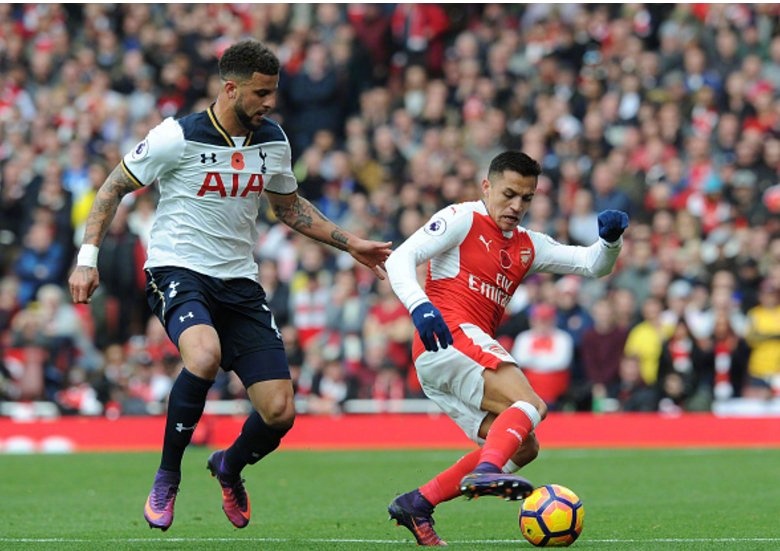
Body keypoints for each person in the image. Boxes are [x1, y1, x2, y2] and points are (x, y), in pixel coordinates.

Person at [68, 39, 392, 532]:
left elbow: (289, 208)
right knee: (203, 356)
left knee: (280, 411)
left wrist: (350, 244)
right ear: (230, 88)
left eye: (273, 93)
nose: (270, 102)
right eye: (261, 93)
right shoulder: (176, 136)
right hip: (178, 269)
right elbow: (113, 186)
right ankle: (167, 476)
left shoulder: (274, 141)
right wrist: (86, 260)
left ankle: (229, 465)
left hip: (239, 281)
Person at [383, 150, 627, 546]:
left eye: (526, 198)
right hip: (447, 334)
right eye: (509, 194)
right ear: (487, 187)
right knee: (532, 403)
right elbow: (401, 259)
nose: (516, 206)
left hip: (451, 357)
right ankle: (486, 473)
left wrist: (610, 241)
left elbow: (591, 264)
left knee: (524, 445)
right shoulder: (462, 218)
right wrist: (419, 307)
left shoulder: (529, 245)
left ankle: (417, 503)